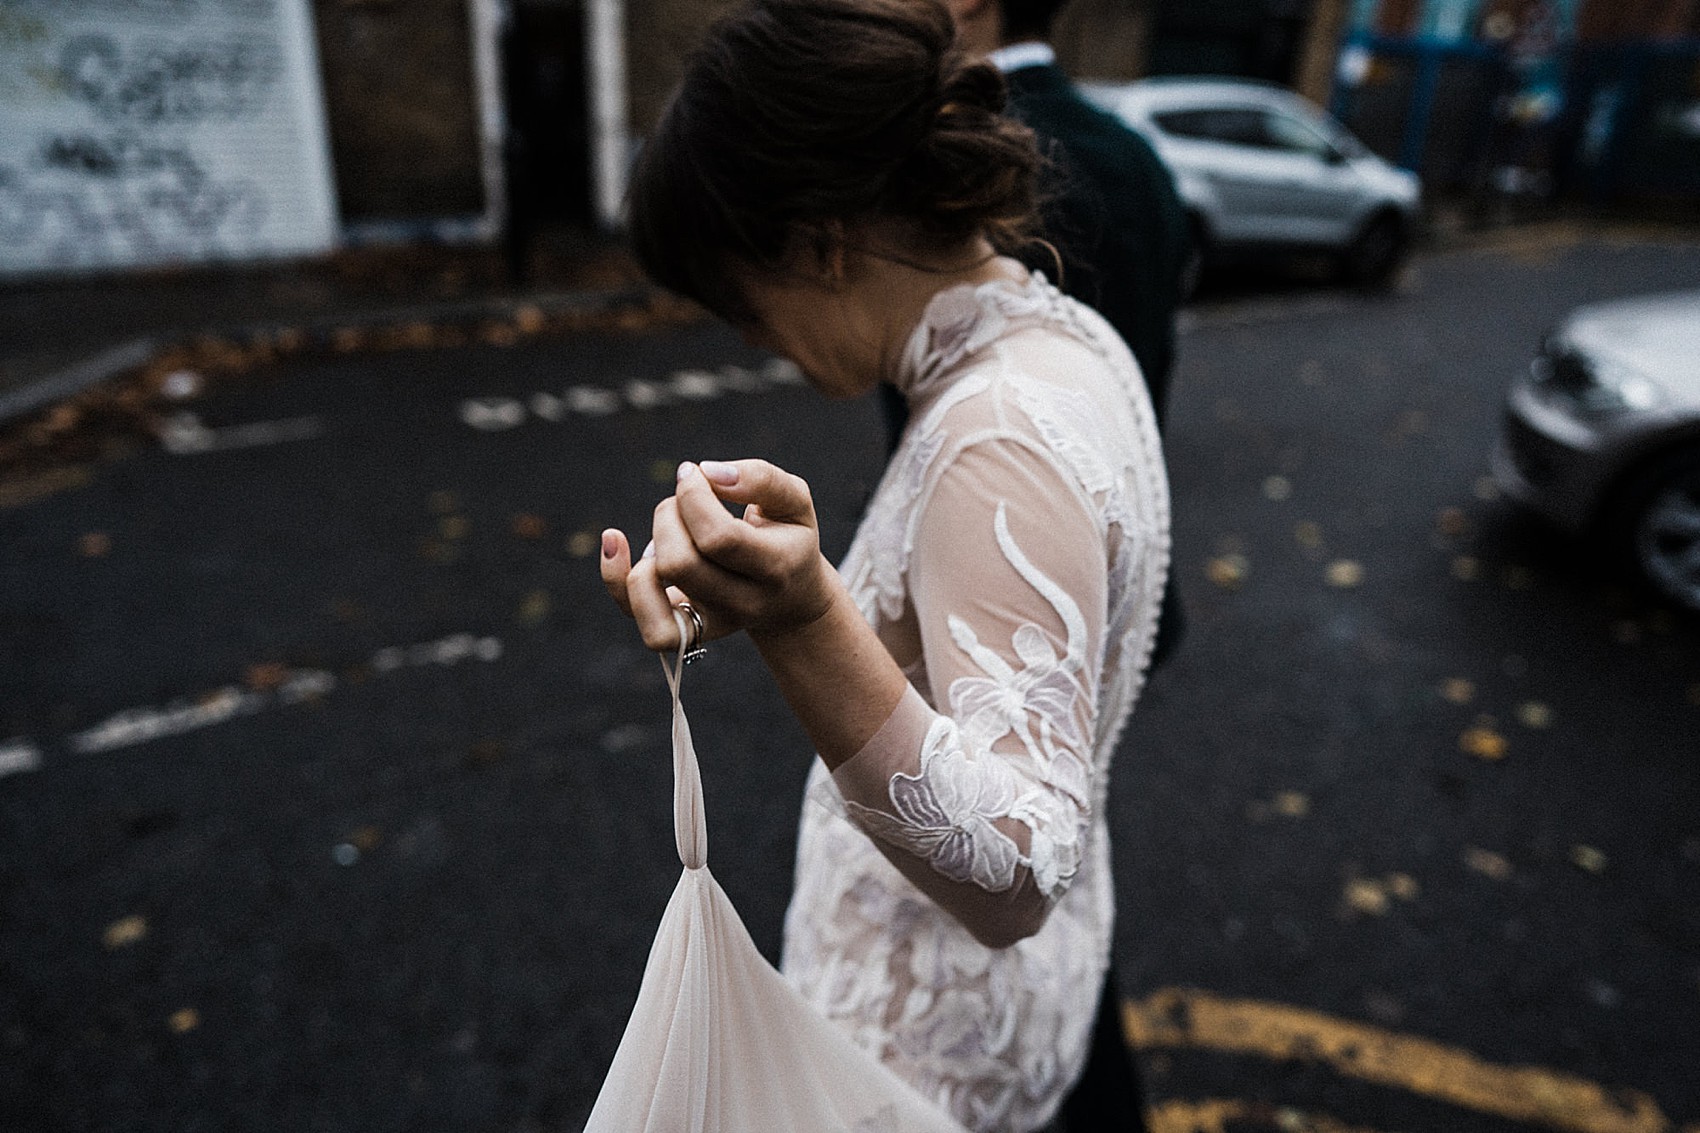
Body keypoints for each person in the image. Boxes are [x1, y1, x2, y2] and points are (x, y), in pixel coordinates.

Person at [599, 1, 1170, 1130]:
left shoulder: (994, 433)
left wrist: (806, 617)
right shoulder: (1058, 338)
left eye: (737, 298)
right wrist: (756, 598)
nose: (746, 335)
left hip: (913, 1062)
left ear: (817, 242)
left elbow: (1014, 867)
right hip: (1003, 1014)